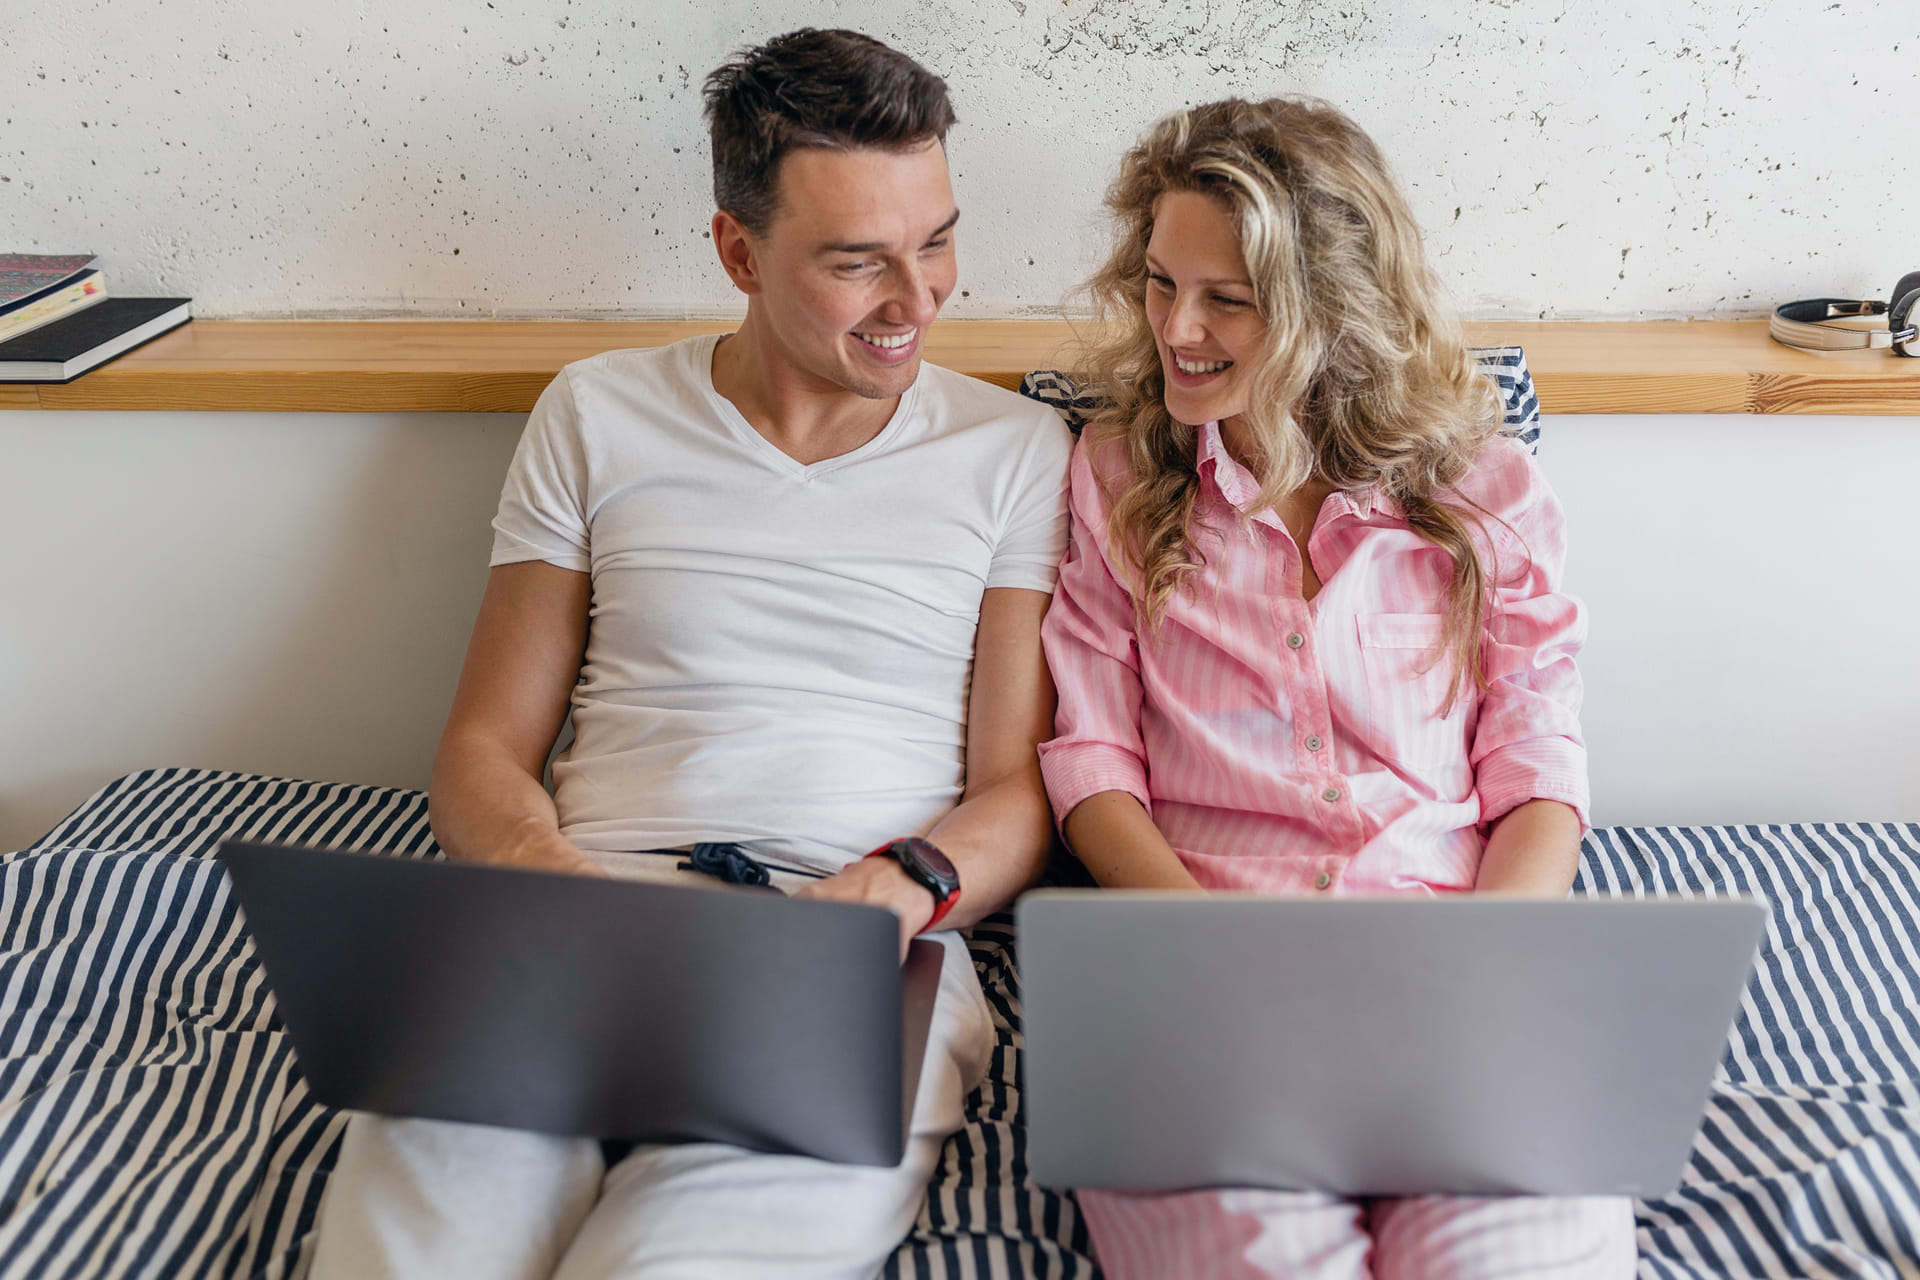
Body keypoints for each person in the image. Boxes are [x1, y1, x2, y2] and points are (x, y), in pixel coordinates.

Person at [309, 29, 1071, 1280]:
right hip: (579, 922)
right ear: (737, 252)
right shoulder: (597, 412)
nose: (919, 298)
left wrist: (903, 883)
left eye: (935, 240)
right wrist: (544, 874)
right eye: (856, 262)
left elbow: (1018, 791)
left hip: (850, 941)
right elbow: (485, 747)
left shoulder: (1016, 451)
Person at [1035, 97, 1636, 1278]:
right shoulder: (1115, 474)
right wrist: (1208, 952)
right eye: (1160, 283)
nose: (1177, 329)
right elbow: (1092, 763)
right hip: (1204, 981)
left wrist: (1487, 963)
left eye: (1229, 299)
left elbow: (1536, 755)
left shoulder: (1483, 489)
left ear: (1330, 308)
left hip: (1446, 971)